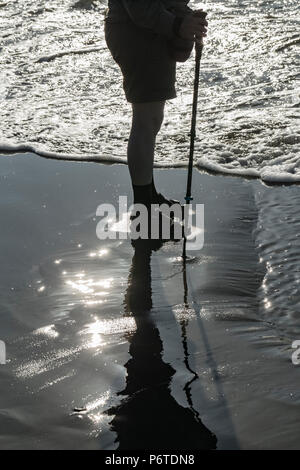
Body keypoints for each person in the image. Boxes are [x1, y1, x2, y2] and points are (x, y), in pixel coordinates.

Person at [105, 1, 208, 209]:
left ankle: (148, 194)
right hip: (138, 35)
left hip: (151, 32)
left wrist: (186, 18)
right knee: (145, 119)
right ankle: (144, 203)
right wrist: (179, 24)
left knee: (152, 119)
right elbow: (140, 8)